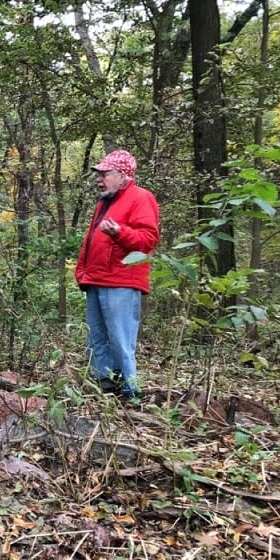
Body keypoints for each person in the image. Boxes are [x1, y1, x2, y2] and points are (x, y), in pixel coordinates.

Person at [75, 149, 160, 399]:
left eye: (105, 174)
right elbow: (90, 241)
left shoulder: (141, 198)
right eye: (99, 174)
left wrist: (119, 232)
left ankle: (130, 392)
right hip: (96, 279)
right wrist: (82, 271)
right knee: (96, 339)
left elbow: (147, 240)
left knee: (121, 340)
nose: (99, 179)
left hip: (122, 280)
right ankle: (105, 387)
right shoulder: (104, 201)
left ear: (122, 176)